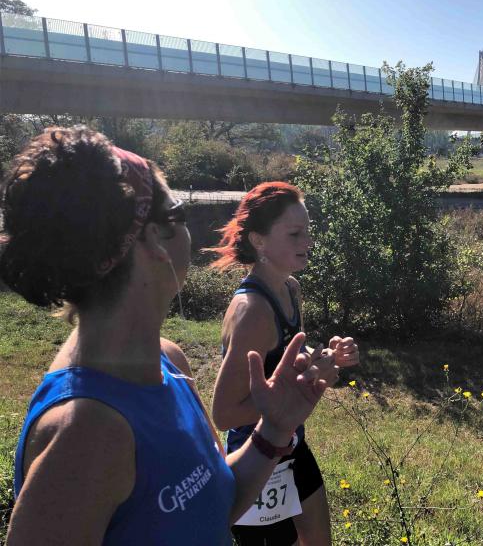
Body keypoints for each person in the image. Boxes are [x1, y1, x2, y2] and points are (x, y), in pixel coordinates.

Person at [2, 127, 340, 545]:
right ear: (153, 241)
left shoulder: (169, 361)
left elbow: (212, 506)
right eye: (178, 211)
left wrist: (273, 430)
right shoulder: (86, 433)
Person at [209, 182, 359, 546]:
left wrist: (327, 358)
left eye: (308, 231)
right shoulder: (253, 312)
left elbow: (288, 364)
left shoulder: (290, 288)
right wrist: (282, 407)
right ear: (259, 241)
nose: (308, 241)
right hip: (257, 457)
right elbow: (224, 414)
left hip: (292, 441)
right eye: (294, 233)